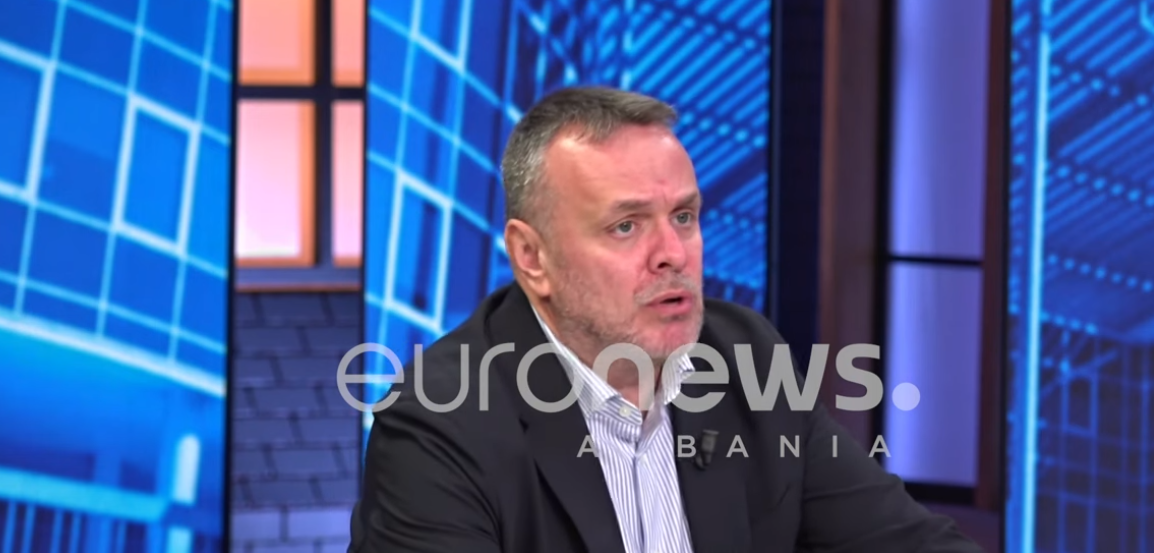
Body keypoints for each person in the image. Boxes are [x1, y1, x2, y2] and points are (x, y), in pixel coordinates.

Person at [351, 86, 983, 552]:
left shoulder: (744, 357)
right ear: (532, 258)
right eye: (626, 226)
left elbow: (903, 541)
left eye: (683, 217)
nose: (673, 254)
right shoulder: (440, 423)